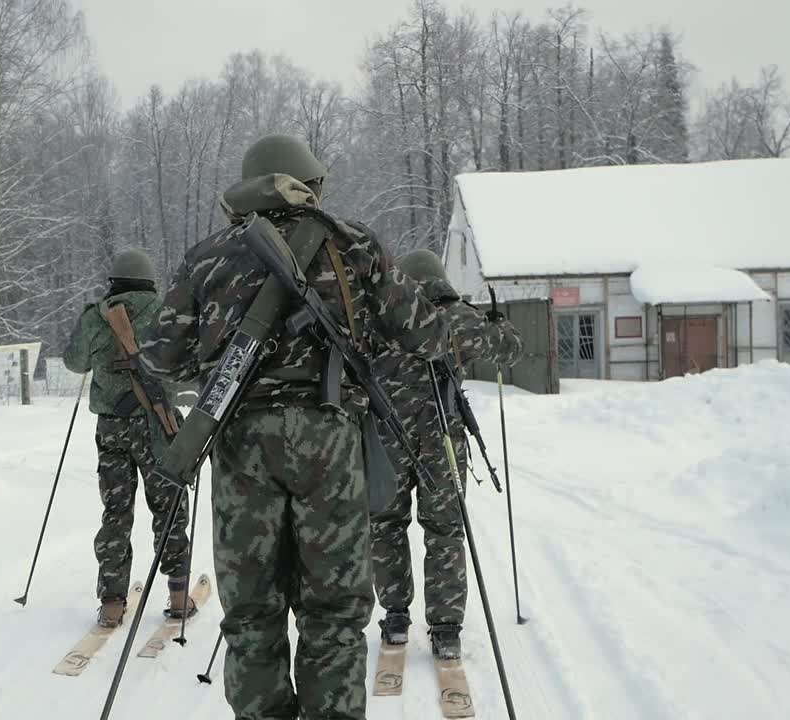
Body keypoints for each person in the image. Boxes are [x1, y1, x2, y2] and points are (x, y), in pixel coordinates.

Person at [140, 134, 448, 720]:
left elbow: (159, 353)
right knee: (333, 613)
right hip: (328, 441)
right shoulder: (353, 244)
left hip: (240, 442)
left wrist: (217, 349)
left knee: (252, 612)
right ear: (312, 183)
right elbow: (423, 335)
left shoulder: (209, 255)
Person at [369, 249, 524, 660]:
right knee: (445, 531)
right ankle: (446, 629)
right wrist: (498, 323)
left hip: (389, 439)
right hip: (444, 443)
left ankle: (396, 618)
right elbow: (510, 351)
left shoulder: (382, 317)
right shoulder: (458, 319)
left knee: (386, 526)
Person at [62, 249, 195, 628]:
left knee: (116, 512)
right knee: (168, 507)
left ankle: (112, 602)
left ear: (114, 282)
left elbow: (74, 363)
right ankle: (178, 594)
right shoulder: (165, 311)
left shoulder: (96, 315)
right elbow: (185, 365)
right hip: (159, 426)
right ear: (150, 280)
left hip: (112, 427)